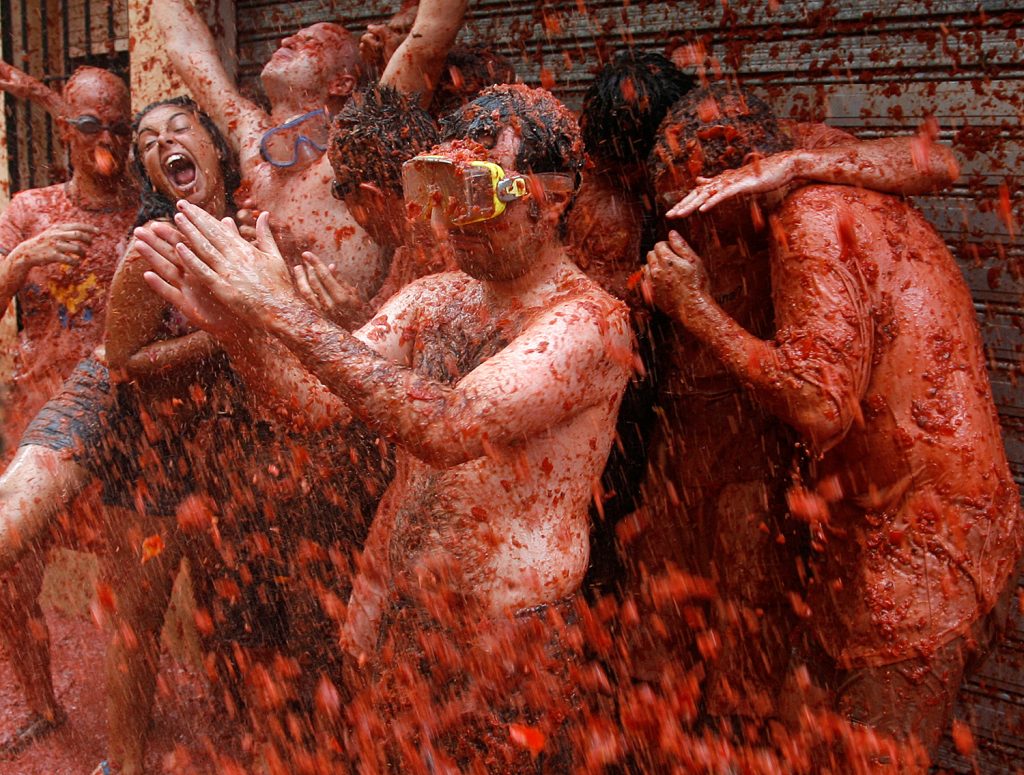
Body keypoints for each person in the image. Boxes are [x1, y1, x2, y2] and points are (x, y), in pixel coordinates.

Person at [135, 84, 632, 770]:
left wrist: (276, 310)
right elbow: (307, 405)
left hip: (513, 642)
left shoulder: (589, 323)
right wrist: (235, 328)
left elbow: (451, 428)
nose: (455, 220)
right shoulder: (436, 298)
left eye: (479, 193)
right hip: (414, 623)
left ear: (554, 199)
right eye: (441, 188)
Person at [645, 84, 1021, 763]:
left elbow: (822, 406)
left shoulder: (807, 216)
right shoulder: (808, 159)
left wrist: (695, 308)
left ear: (731, 178)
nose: (697, 232)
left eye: (696, 208)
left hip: (927, 545)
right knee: (796, 739)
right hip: (877, 529)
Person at [0, 95, 244, 775]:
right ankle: (123, 765)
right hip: (114, 403)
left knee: (231, 605)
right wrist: (229, 333)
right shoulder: (152, 238)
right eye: (145, 143)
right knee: (121, 608)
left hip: (214, 433)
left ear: (215, 143)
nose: (152, 145)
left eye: (174, 130)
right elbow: (124, 358)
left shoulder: (259, 220)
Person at [155, 0, 466, 320]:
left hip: (360, 336)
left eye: (310, 43)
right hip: (272, 340)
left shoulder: (359, 144)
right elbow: (186, 47)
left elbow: (428, 40)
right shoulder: (252, 140)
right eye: (291, 38)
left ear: (342, 83)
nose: (286, 40)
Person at [0, 65, 137, 756]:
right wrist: (18, 261)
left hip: (126, 420)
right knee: (12, 576)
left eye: (117, 124)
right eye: (90, 125)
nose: (104, 139)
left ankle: (133, 727)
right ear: (65, 131)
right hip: (38, 420)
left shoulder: (150, 205)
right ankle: (45, 707)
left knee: (131, 581)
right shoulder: (28, 209)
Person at [293, 85, 447, 326]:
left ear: (373, 198)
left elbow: (416, 359)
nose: (341, 203)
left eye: (340, 190)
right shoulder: (410, 244)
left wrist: (353, 322)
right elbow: (381, 319)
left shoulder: (450, 264)